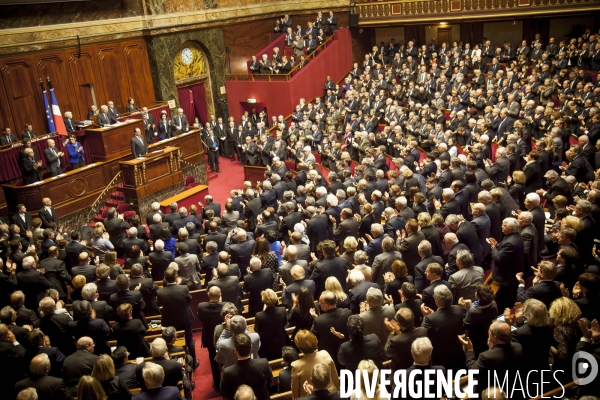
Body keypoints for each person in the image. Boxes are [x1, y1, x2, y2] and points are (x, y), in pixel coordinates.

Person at [156, 266, 198, 370]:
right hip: (184, 318)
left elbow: (159, 304)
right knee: (189, 340)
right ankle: (193, 363)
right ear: (176, 277)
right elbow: (189, 299)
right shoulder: (183, 288)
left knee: (169, 341)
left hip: (169, 320)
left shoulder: (160, 292)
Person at [220, 333, 273, 400]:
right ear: (251, 347)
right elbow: (270, 383)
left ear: (235, 350)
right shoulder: (263, 363)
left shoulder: (228, 372)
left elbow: (224, 393)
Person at [291, 330, 339, 398]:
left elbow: (295, 393)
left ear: (299, 347)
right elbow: (335, 379)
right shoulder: (325, 354)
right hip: (331, 394)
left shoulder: (296, 365)